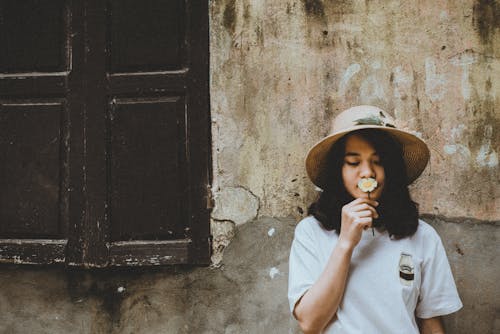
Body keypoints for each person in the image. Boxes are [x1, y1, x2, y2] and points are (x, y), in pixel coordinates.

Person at [288, 105, 462, 333]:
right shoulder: (311, 232)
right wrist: (346, 244)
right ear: (337, 171)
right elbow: (310, 322)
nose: (367, 173)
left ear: (391, 169)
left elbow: (430, 323)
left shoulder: (422, 236)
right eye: (353, 162)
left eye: (378, 161)